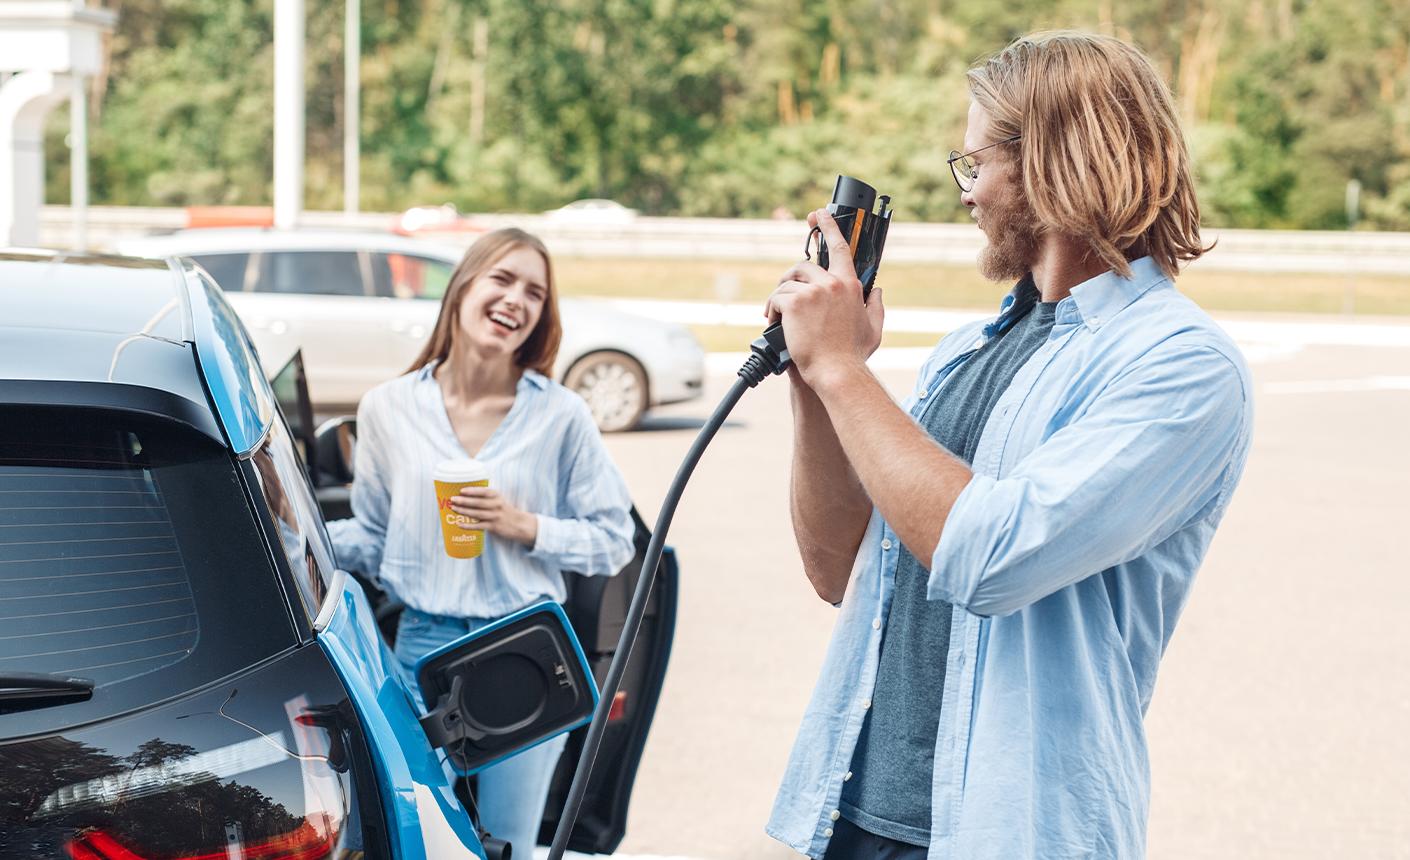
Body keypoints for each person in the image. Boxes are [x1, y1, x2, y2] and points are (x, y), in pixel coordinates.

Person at [763, 32, 1253, 859]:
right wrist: (816, 378)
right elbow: (832, 564)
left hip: (1015, 828)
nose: (967, 194)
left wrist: (846, 371)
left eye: (975, 162)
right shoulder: (966, 351)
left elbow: (991, 556)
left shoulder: (1183, 367)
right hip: (854, 815)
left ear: (1053, 158)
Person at [327, 227, 637, 854]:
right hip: (420, 653)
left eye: (534, 293)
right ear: (463, 287)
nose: (516, 300)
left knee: (512, 846)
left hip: (521, 650)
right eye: (502, 279)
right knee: (418, 839)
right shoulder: (388, 408)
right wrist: (287, 531)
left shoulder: (560, 415)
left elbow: (615, 541)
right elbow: (373, 535)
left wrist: (524, 526)